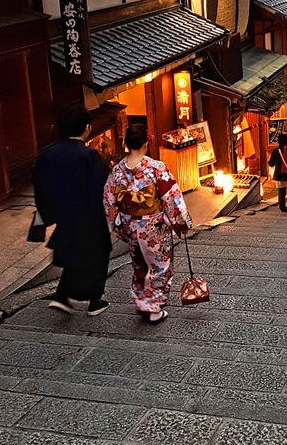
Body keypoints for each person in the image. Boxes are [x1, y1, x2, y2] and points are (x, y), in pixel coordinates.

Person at [103, 123, 192, 323]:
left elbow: (109, 201)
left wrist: (115, 226)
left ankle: (142, 302)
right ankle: (154, 308)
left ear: (126, 143)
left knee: (139, 264)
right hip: (154, 225)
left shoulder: (117, 171)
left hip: (130, 224)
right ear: (146, 143)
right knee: (159, 265)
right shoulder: (156, 168)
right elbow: (172, 197)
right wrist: (181, 223)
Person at [32, 104, 111, 316]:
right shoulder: (90, 157)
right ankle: (94, 301)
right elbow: (101, 190)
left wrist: (49, 212)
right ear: (86, 128)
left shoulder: (47, 156)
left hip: (63, 216)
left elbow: (40, 187)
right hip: (89, 216)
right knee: (97, 256)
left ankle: (63, 296)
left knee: (73, 256)